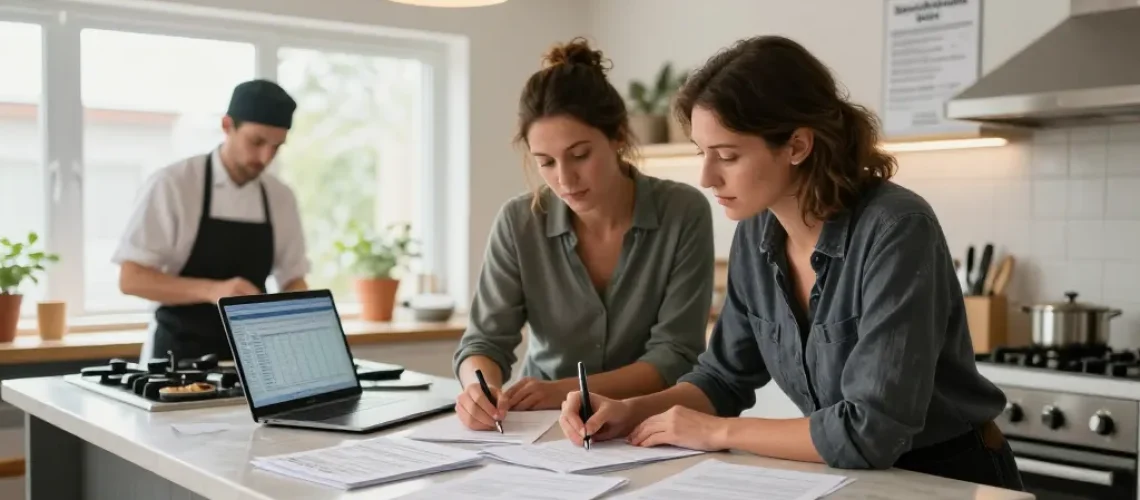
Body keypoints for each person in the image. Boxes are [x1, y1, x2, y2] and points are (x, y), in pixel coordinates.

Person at [556, 35, 1024, 491]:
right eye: (703, 153)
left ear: (797, 146)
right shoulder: (755, 232)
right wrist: (630, 410)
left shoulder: (896, 229)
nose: (706, 176)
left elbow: (871, 430)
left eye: (727, 155)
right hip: (855, 481)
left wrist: (717, 431)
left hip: (948, 478)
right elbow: (722, 378)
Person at [452, 38, 715, 431]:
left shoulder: (682, 211)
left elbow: (675, 354)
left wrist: (565, 390)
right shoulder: (518, 222)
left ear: (618, 136)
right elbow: (484, 342)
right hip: (541, 425)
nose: (565, 178)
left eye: (580, 155)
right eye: (546, 162)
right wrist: (480, 388)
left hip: (649, 423)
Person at [114, 79, 311, 362]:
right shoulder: (174, 184)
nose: (265, 157)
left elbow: (293, 279)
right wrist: (214, 290)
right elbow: (131, 279)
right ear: (227, 125)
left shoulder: (280, 197)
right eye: (256, 142)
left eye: (276, 146)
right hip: (178, 360)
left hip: (252, 361)